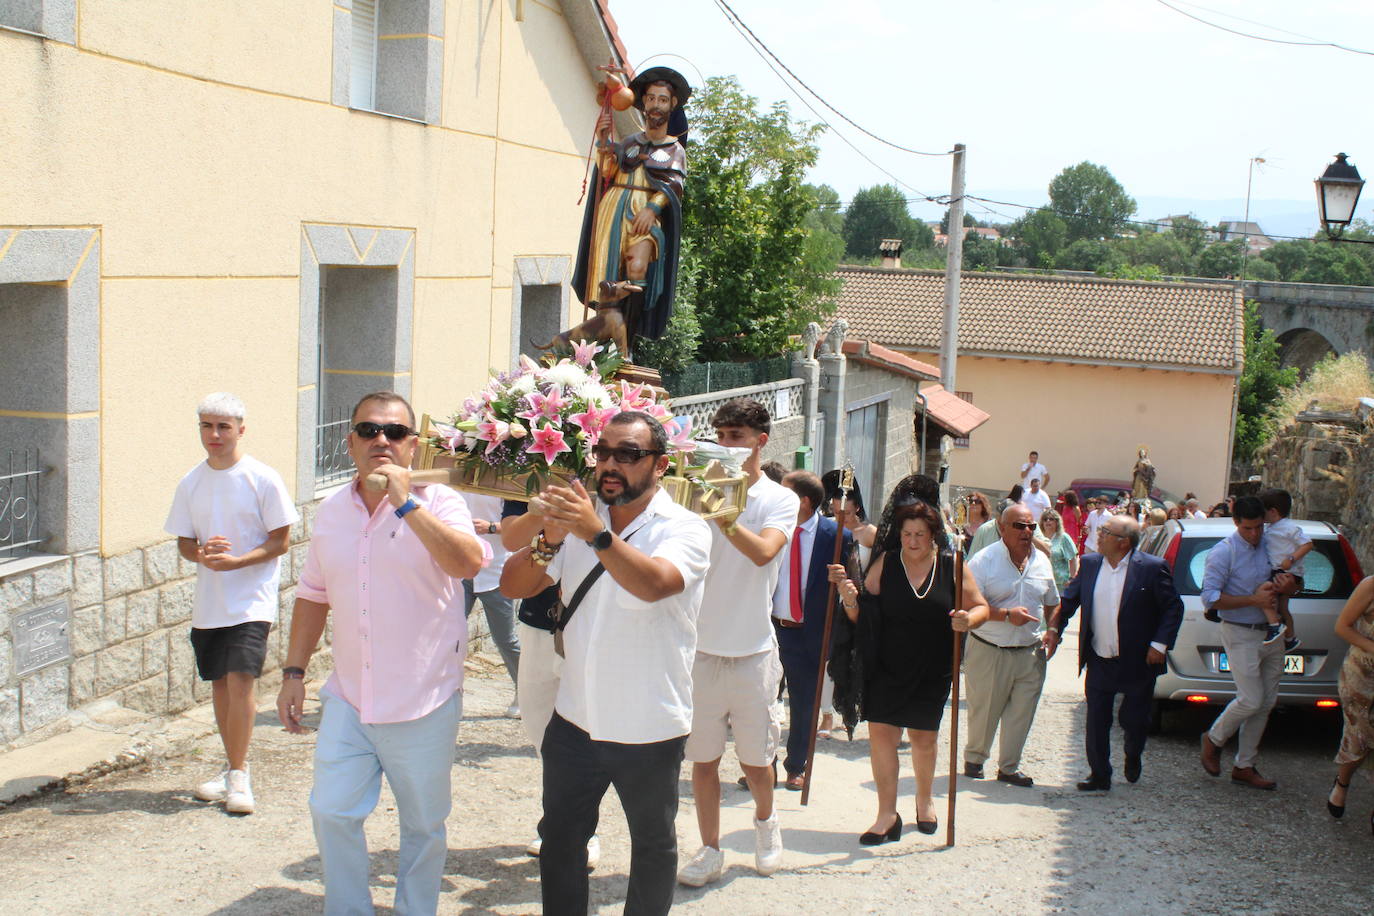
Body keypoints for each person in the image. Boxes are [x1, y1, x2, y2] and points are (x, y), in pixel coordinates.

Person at [276, 391, 487, 915]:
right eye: (369, 431)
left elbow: (466, 564)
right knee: (331, 811)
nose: (381, 441)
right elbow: (313, 595)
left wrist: (405, 502)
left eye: (394, 433)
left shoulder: (442, 503)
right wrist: (294, 672)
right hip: (350, 696)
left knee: (422, 825)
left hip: (423, 699)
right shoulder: (330, 512)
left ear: (413, 446)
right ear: (350, 442)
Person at [500, 411, 711, 916]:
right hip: (575, 717)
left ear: (659, 465)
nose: (611, 464)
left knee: (652, 846)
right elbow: (513, 586)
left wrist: (595, 534)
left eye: (628, 454)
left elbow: (654, 584)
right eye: (603, 452)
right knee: (561, 842)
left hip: (647, 721)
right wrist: (548, 536)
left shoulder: (684, 528)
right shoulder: (577, 520)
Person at [679, 400, 798, 887]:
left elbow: (765, 552)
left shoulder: (779, 499)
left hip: (752, 650)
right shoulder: (696, 491)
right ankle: (709, 849)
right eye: (722, 435)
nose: (726, 444)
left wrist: (724, 517)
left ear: (759, 440)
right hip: (699, 648)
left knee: (756, 759)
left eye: (736, 436)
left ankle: (766, 825)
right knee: (702, 759)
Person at [166, 392, 298, 815]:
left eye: (223, 426)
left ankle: (240, 775)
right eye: (207, 426)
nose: (215, 434)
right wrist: (202, 556)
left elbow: (282, 539)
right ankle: (229, 770)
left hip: (251, 601)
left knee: (241, 680)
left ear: (242, 429)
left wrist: (240, 561)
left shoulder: (262, 478)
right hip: (210, 601)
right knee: (220, 686)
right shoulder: (191, 482)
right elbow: (186, 542)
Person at [833, 500, 988, 843]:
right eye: (906, 534)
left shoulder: (952, 565)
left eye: (920, 534)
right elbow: (863, 616)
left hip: (931, 668)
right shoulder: (887, 562)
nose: (913, 541)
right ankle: (887, 814)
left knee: (923, 738)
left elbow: (981, 606)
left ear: (934, 536)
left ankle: (924, 799)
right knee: (882, 739)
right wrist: (850, 600)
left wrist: (968, 620)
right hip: (886, 665)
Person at [498, 499, 602, 867]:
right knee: (540, 727)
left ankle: (580, 831)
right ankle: (560, 822)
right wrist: (542, 513)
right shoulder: (530, 476)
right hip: (539, 623)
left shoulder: (614, 479)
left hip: (590, 627)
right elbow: (511, 539)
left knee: (584, 731)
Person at [1051, 516, 1183, 790]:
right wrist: (1055, 630)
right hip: (1100, 657)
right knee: (1097, 718)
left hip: (1138, 660)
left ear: (1123, 543)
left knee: (1134, 719)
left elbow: (1173, 607)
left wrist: (1159, 644)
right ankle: (1100, 774)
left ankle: (1133, 754)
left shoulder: (1151, 568)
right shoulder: (1090, 565)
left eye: (1105, 531)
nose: (1098, 535)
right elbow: (1068, 603)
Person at [566, 67, 690, 358]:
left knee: (637, 268)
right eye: (650, 99)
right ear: (643, 103)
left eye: (662, 99)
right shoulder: (630, 143)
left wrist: (652, 207)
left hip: (644, 212)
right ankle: (599, 343)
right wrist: (604, 143)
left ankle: (627, 345)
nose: (655, 105)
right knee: (607, 273)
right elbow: (608, 173)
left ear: (672, 105)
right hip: (614, 207)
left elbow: (674, 186)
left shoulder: (674, 150)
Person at [960, 504, 1061, 787]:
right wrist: (1005, 615)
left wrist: (1052, 629)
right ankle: (975, 759)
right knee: (986, 708)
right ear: (1002, 529)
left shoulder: (1042, 561)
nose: (1026, 532)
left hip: (1029, 650)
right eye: (1019, 526)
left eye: (1031, 526)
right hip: (991, 648)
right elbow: (966, 605)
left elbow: (1053, 601)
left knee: (1022, 712)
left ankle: (1009, 767)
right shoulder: (983, 561)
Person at [1199, 496, 1293, 791]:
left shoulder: (1271, 544)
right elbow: (1210, 598)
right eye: (1248, 528)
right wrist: (1252, 600)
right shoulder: (1223, 553)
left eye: (1259, 527)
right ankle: (1213, 738)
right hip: (1239, 631)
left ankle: (1245, 765)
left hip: (1272, 631)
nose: (1255, 534)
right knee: (1250, 699)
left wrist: (1291, 585)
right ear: (1236, 523)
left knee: (1265, 703)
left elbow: (1291, 578)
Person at [771, 470, 852, 792]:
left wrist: (842, 578)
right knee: (763, 702)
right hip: (772, 628)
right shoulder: (772, 529)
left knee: (804, 704)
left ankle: (796, 766)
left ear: (803, 501)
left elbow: (853, 586)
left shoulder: (836, 535)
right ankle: (763, 765)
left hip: (811, 631)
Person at [462, 493, 521, 715]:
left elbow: (522, 526)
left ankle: (523, 691)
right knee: (449, 634)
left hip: (497, 571)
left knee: (505, 640)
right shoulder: (457, 476)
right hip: (463, 568)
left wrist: (492, 527)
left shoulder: (504, 480)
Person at [1327, 575, 1374, 826]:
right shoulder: (1370, 585)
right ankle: (1342, 782)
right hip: (1362, 679)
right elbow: (1342, 626)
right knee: (1358, 739)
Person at [1260, 488, 1310, 652]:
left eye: (1263, 511)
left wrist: (1291, 559)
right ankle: (1290, 638)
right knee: (1282, 606)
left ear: (1273, 511)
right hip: (1281, 571)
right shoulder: (1271, 528)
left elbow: (1307, 544)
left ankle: (1275, 626)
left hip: (1286, 572)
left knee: (1265, 596)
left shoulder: (1288, 527)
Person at [1039, 509, 1078, 592]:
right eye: (1045, 519)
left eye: (1051, 519)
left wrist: (1072, 578)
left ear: (1057, 522)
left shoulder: (1063, 537)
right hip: (1042, 581)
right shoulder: (1039, 539)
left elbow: (1073, 559)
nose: (1048, 521)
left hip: (1060, 583)